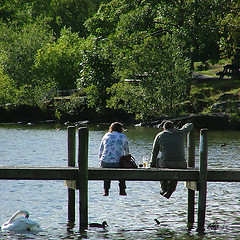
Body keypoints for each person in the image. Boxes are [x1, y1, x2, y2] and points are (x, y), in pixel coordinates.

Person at [150, 121, 193, 199]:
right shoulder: (181, 132)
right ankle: (171, 190)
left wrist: (152, 165)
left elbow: (154, 152)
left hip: (166, 164)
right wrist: (180, 129)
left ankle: (164, 187)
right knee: (176, 170)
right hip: (181, 164)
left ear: (164, 128)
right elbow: (190, 124)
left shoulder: (160, 135)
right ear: (173, 127)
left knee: (158, 162)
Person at [99, 122, 130, 196]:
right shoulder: (123, 136)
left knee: (107, 172)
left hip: (105, 161)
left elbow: (101, 150)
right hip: (117, 163)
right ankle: (122, 190)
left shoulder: (106, 135)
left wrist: (100, 162)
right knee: (122, 166)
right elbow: (127, 152)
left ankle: (106, 190)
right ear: (121, 129)